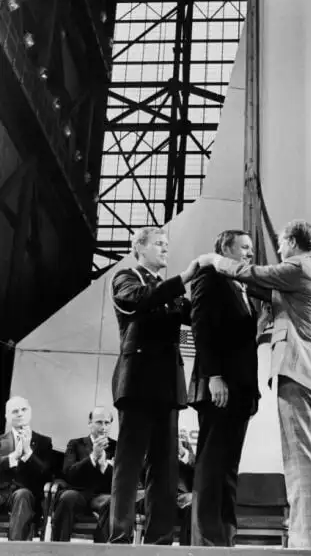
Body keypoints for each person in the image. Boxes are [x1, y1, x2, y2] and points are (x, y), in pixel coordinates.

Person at [199, 220, 311, 549]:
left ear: (292, 241)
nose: (278, 250)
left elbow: (258, 275)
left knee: (299, 460)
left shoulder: (299, 265)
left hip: (298, 370)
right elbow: (268, 289)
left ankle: (308, 541)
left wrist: (215, 261)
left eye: (280, 244)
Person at [108, 226, 199, 545]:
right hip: (137, 382)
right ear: (139, 249)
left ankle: (159, 541)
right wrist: (184, 278)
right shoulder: (125, 277)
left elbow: (194, 315)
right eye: (158, 244)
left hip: (167, 386)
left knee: (165, 466)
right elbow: (138, 301)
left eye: (166, 244)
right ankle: (119, 536)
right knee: (129, 463)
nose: (164, 249)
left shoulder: (169, 289)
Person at [189, 229, 261, 546]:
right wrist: (213, 376)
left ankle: (225, 536)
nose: (249, 253)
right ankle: (205, 538)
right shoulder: (210, 277)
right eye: (244, 247)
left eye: (251, 248)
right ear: (225, 249)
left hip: (241, 390)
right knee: (212, 463)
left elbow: (244, 343)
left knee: (230, 464)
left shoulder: (243, 287)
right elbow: (201, 326)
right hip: (219, 386)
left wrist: (252, 391)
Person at [51, 406, 115, 542]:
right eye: (99, 422)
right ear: (89, 423)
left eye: (107, 423)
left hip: (102, 495)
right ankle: (58, 549)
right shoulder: (75, 444)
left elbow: (119, 479)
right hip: (78, 492)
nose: (103, 427)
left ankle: (101, 550)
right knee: (67, 497)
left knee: (113, 502)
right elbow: (69, 474)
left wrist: (104, 465)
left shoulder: (117, 447)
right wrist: (93, 457)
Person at [0, 396, 53, 540]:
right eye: (15, 411)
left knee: (22, 495)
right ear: (7, 416)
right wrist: (13, 456)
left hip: (26, 496)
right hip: (1, 492)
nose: (20, 413)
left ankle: (14, 551)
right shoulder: (1, 441)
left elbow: (46, 474)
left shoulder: (44, 442)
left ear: (30, 412)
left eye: (24, 409)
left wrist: (28, 453)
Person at [176, 427, 195, 545]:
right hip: (161, 499)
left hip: (186, 503)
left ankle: (187, 551)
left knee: (192, 509)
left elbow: (199, 479)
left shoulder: (189, 457)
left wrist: (182, 452)